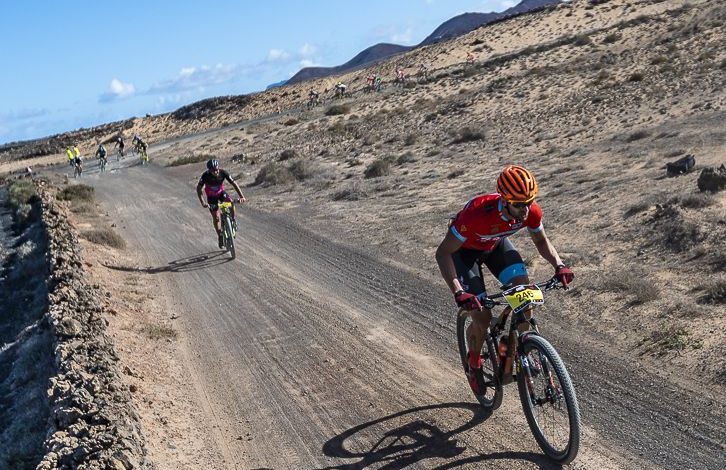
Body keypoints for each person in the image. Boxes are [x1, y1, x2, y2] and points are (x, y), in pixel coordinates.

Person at [435, 165, 574, 394]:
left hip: (495, 246)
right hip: (463, 254)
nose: (526, 209)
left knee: (525, 299)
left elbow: (541, 242)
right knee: (482, 317)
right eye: (520, 205)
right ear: (505, 200)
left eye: (530, 202)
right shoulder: (476, 214)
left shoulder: (530, 210)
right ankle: (474, 362)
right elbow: (443, 253)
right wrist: (459, 291)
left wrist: (559, 265)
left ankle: (512, 353)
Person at [196, 159, 246, 249]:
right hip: (211, 198)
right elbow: (199, 189)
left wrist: (242, 196)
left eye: (217, 169)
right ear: (209, 170)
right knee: (216, 217)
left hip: (221, 194)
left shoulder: (223, 173)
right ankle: (220, 236)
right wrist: (203, 202)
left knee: (230, 203)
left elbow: (234, 183)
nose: (216, 171)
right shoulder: (205, 176)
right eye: (213, 170)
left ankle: (233, 220)